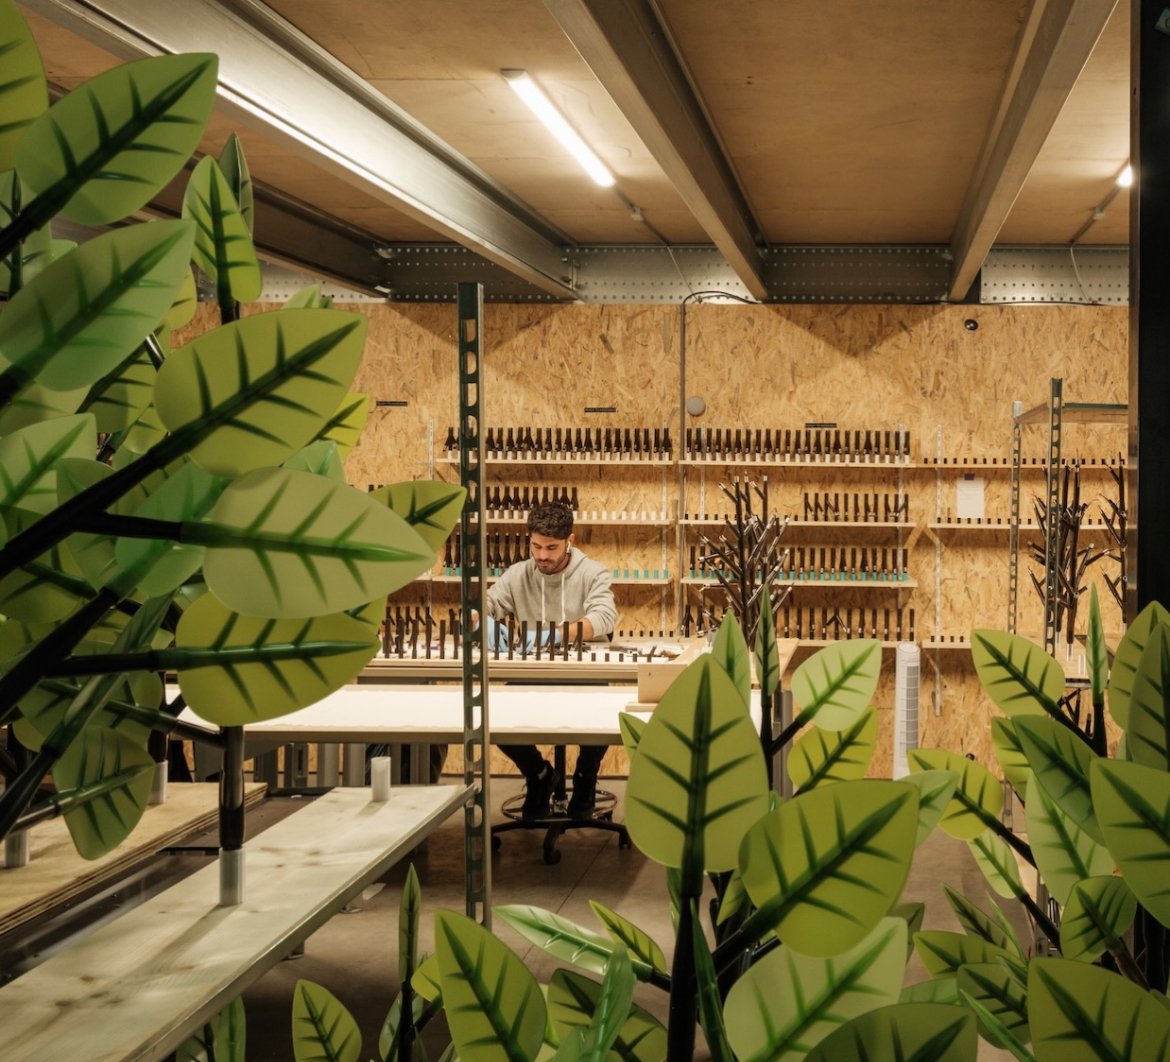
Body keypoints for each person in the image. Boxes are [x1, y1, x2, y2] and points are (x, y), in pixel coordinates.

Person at [484, 500, 618, 820]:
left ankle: (585, 777)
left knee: (601, 712)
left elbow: (604, 617)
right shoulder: (517, 575)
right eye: (536, 546)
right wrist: (480, 621)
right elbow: (482, 605)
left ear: (569, 541)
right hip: (534, 674)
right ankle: (540, 775)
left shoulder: (593, 573)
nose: (542, 555)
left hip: (585, 675)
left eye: (551, 548)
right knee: (495, 714)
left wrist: (555, 635)